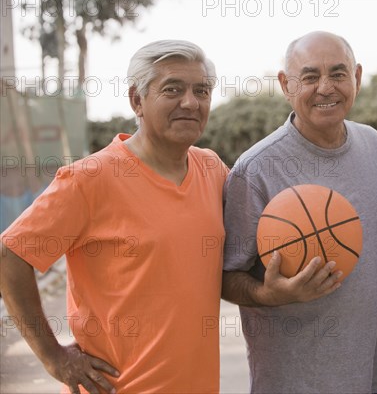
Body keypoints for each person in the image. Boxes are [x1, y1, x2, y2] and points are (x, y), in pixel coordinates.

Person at [0, 40, 228, 393]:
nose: (190, 102)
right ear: (137, 99)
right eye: (173, 89)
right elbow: (10, 255)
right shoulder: (90, 179)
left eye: (202, 91)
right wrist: (53, 357)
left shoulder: (212, 170)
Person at [221, 31, 377, 393]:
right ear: (286, 85)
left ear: (358, 78)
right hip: (296, 383)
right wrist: (269, 295)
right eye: (309, 77)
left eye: (338, 74)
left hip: (371, 376)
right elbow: (224, 278)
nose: (325, 88)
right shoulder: (255, 169)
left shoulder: (374, 146)